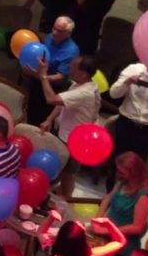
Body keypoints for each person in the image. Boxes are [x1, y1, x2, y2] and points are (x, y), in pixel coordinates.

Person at [37, 55, 101, 196]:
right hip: (66, 135)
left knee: (68, 175)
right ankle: (56, 194)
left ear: (84, 73)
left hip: (76, 140)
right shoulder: (79, 84)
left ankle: (65, 202)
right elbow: (63, 103)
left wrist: (43, 76)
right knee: (59, 170)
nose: (69, 69)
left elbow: (52, 99)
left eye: (73, 67)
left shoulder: (85, 93)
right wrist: (49, 119)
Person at [95, 152, 148, 256]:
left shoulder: (144, 195)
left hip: (122, 245)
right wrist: (98, 219)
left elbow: (137, 227)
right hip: (106, 235)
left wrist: (107, 231)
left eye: (121, 172)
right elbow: (108, 197)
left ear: (133, 173)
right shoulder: (123, 181)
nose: (118, 174)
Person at [23, 16, 81, 126]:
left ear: (68, 33)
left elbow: (61, 77)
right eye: (54, 28)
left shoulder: (71, 50)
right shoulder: (50, 37)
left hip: (53, 86)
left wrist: (40, 76)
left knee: (41, 117)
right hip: (40, 78)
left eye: (59, 31)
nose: (54, 32)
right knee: (31, 109)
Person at [44, 217, 126, 256]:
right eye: (82, 227)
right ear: (81, 241)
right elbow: (120, 242)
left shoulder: (54, 251)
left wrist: (51, 217)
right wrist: (108, 223)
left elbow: (41, 233)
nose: (83, 224)